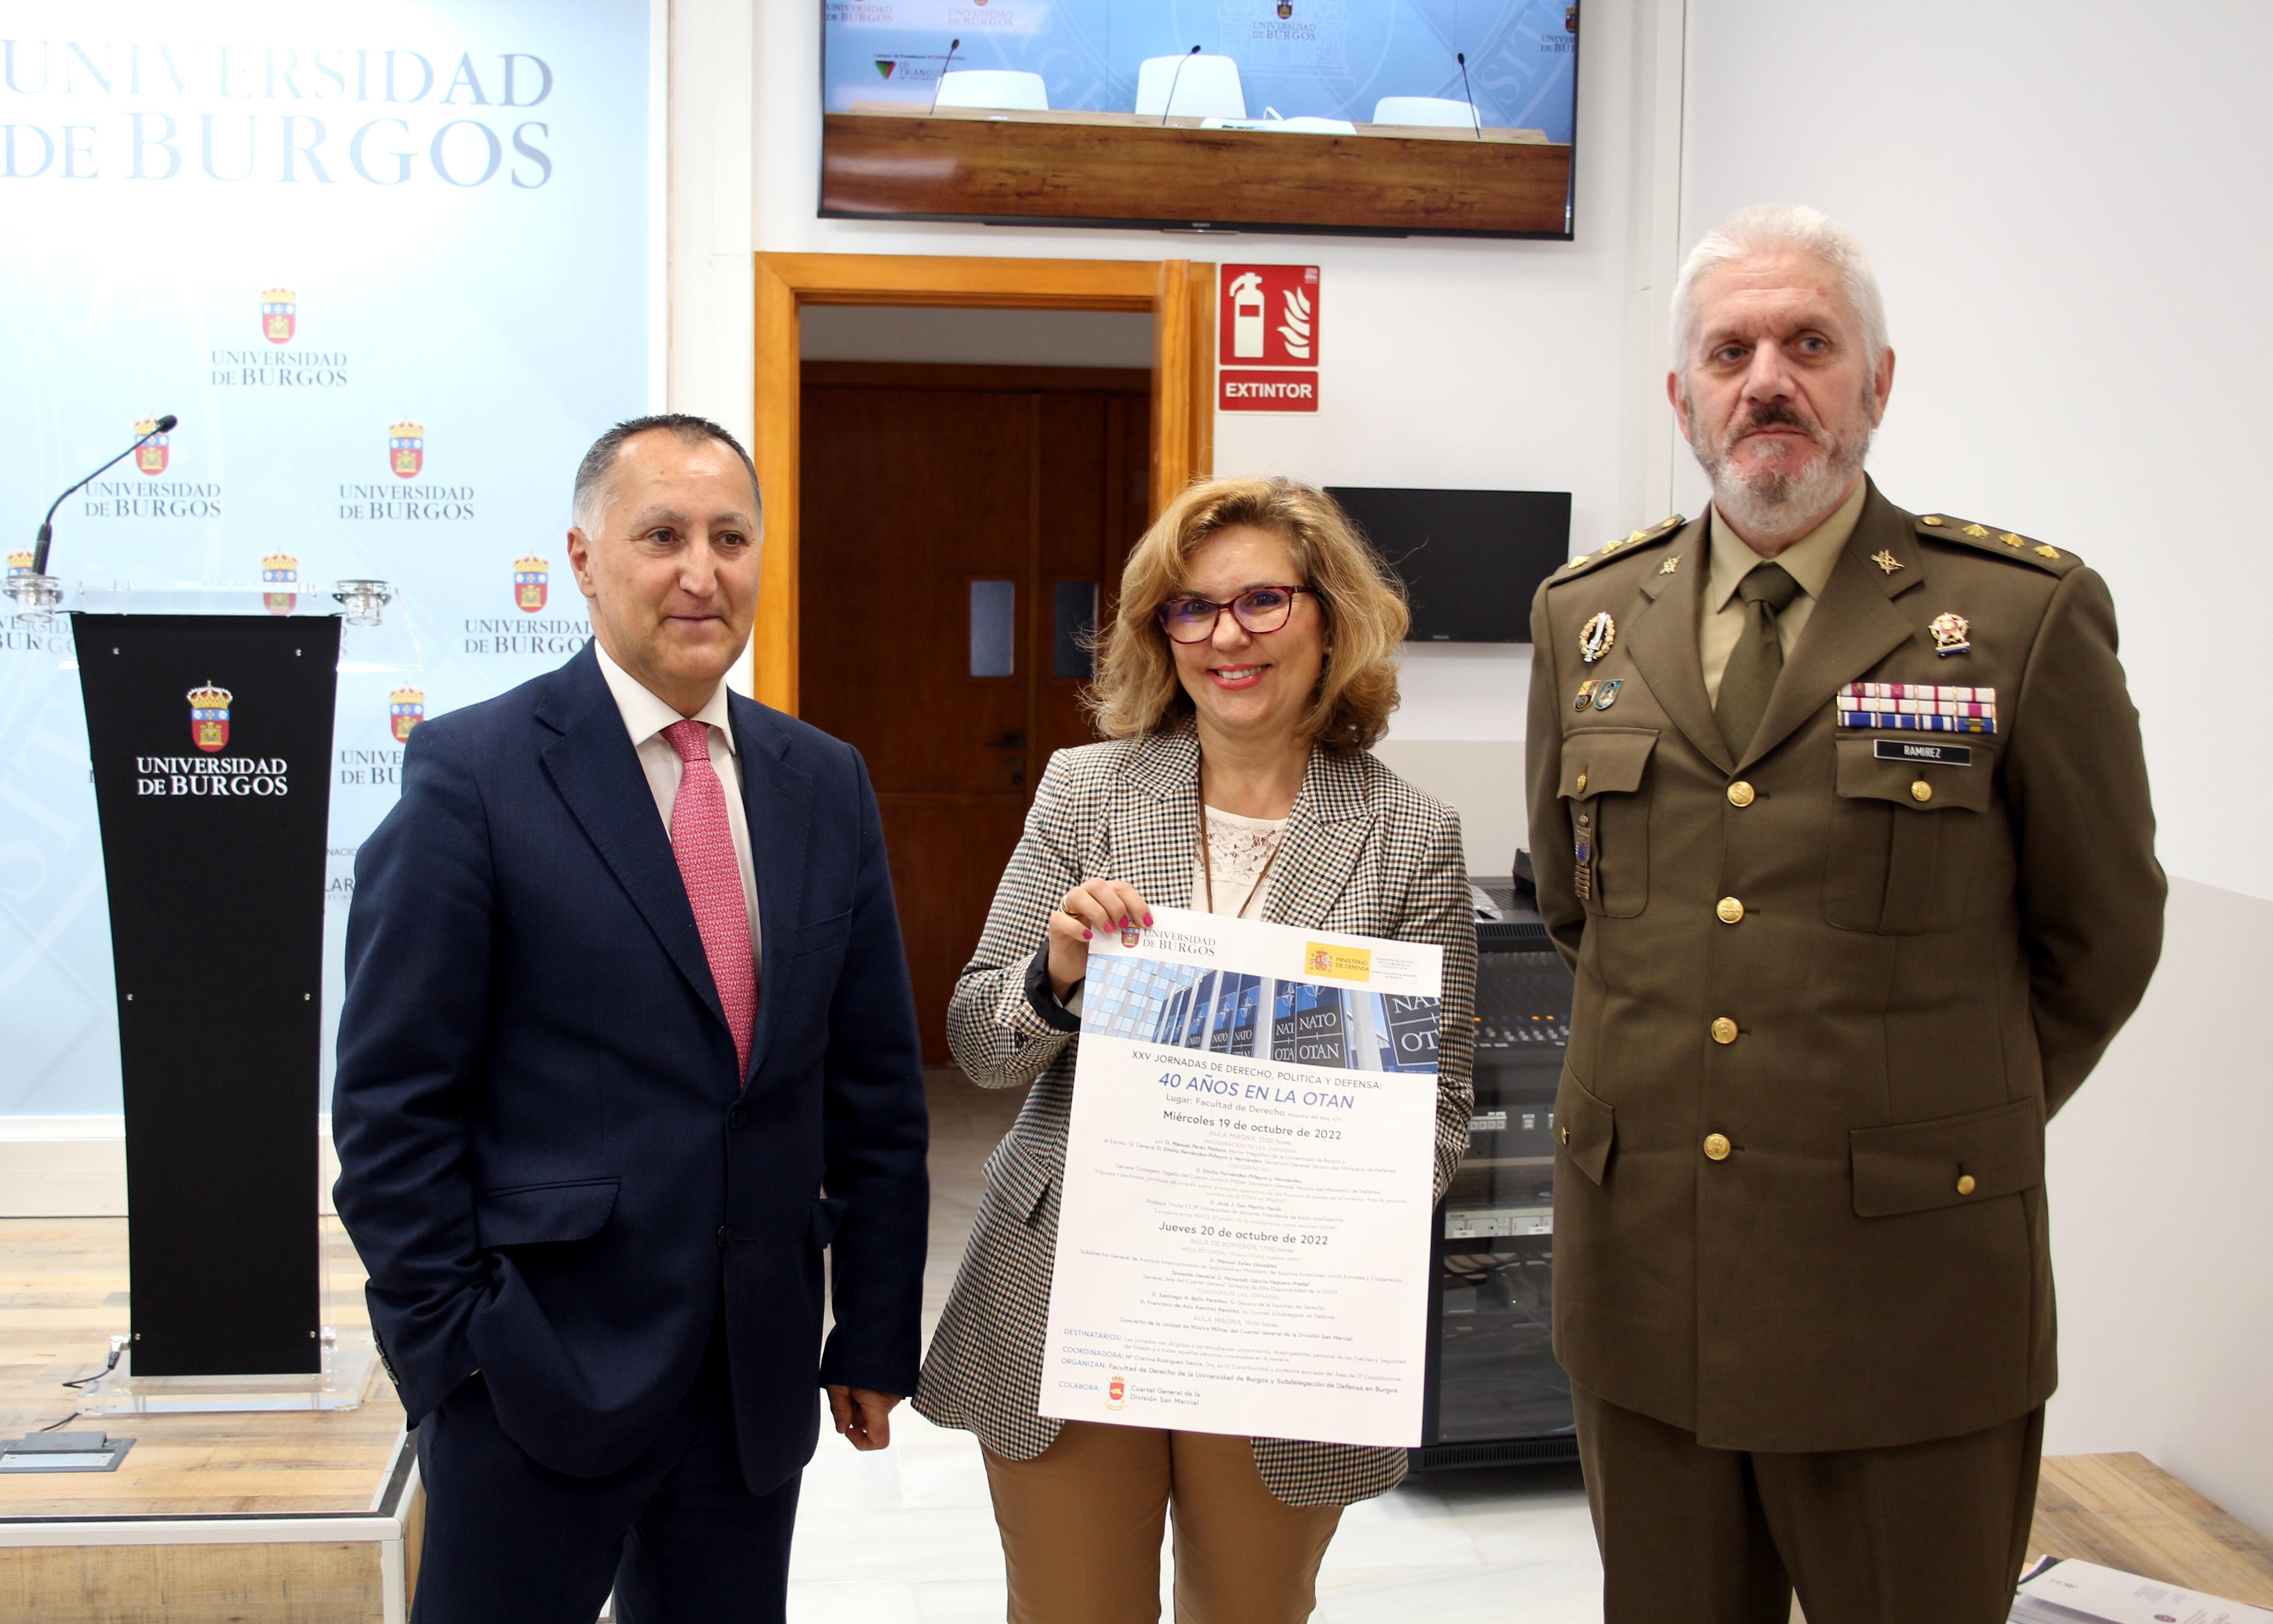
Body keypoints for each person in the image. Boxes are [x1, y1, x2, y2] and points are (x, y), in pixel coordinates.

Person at [1525, 203, 2165, 1624]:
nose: (1769, 377)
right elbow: (1584, 914)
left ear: (1876, 383)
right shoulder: (1587, 616)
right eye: (1731, 348)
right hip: (1650, 1291)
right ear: (1681, 396)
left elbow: (2101, 935)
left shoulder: (2014, 617)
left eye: (1810, 343)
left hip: (1909, 1297)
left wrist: (1934, 1120)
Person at [332, 414, 929, 1624]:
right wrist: (450, 1354)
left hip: (750, 1386)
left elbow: (873, 1088)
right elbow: (392, 1103)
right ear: (584, 557)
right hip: (532, 1376)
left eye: (729, 536)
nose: (700, 571)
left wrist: (871, 1327)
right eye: (661, 534)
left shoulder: (825, 780)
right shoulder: (475, 773)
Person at [916, 476, 1476, 1624]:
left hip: (1282, 1309)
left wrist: (1331, 1214)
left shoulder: (1412, 835)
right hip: (1078, 1286)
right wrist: (1056, 974)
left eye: (1262, 600)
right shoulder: (1088, 790)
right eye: (1190, 608)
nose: (1226, 635)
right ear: (1158, 633)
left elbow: (1439, 1111)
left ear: (1330, 615)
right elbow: (978, 1041)